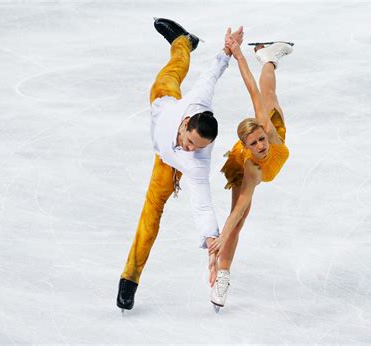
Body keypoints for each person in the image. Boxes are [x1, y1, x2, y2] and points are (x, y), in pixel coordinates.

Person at [116, 18, 244, 311]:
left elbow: (202, 202)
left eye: (198, 148)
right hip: (164, 102)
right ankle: (184, 42)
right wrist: (226, 50)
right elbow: (211, 75)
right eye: (189, 142)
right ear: (187, 122)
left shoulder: (196, 161)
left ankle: (129, 280)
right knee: (167, 78)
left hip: (166, 164)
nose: (191, 149)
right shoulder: (196, 100)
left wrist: (212, 238)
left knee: (150, 215)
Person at [208, 37, 293, 309]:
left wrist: (238, 55)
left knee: (267, 96)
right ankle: (223, 275)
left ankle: (267, 56)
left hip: (271, 127)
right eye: (254, 144)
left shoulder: (268, 131)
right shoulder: (251, 167)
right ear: (246, 146)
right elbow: (239, 208)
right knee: (240, 220)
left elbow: (251, 88)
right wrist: (221, 237)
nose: (260, 147)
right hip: (243, 167)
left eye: (260, 140)